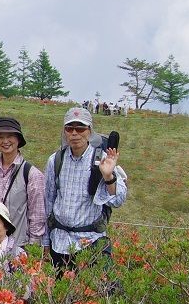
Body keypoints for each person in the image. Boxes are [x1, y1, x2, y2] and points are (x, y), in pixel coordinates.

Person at [44, 107, 127, 273]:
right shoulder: (55, 160)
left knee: (97, 294)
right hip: (59, 243)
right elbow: (48, 201)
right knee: (61, 296)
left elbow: (119, 200)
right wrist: (46, 242)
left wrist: (109, 175)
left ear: (89, 131)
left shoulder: (103, 160)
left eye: (80, 128)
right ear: (65, 132)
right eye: (69, 128)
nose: (75, 133)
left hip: (91, 242)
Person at [0, 117, 46, 248]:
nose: (5, 141)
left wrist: (33, 248)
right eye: (0, 137)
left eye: (10, 136)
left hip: (18, 245)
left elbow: (37, 216)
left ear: (18, 139)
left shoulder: (31, 173)